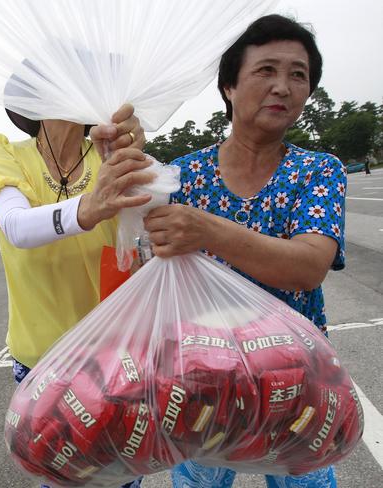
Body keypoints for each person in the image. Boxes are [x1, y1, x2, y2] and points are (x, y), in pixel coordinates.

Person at [138, 15, 344, 488]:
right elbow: (136, 247)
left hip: (299, 386)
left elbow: (307, 267)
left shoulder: (318, 171)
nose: (283, 87)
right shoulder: (181, 178)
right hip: (204, 387)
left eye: (298, 75)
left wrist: (206, 228)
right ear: (229, 86)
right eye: (266, 70)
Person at [0, 96, 151, 488]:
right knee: (63, 478)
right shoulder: (5, 153)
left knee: (120, 477)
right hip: (42, 359)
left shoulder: (105, 154)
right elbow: (17, 227)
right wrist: (90, 206)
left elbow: (152, 213)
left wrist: (135, 156)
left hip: (112, 358)